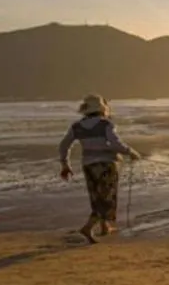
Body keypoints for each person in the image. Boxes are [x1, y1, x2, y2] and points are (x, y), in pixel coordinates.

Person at [58, 94, 141, 244]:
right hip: (106, 165)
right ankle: (88, 228)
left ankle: (105, 227)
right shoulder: (105, 124)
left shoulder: (77, 126)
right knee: (107, 197)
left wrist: (65, 164)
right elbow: (115, 144)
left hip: (88, 165)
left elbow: (64, 145)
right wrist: (130, 152)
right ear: (102, 109)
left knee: (96, 196)